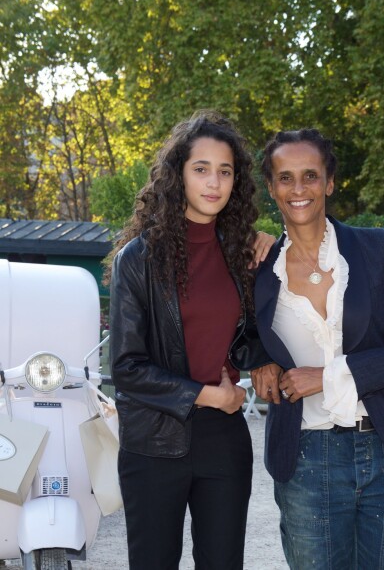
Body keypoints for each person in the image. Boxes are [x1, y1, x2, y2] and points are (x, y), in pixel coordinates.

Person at [250, 128, 384, 569]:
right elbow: (235, 332)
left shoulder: (376, 248)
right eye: (285, 177)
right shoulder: (256, 267)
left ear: (329, 182)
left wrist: (328, 376)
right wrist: (256, 359)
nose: (299, 189)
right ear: (272, 188)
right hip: (307, 457)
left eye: (310, 175)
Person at [107, 111, 273, 570]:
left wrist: (273, 245)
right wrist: (208, 395)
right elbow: (124, 367)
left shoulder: (244, 252)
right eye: (201, 168)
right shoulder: (137, 259)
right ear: (177, 173)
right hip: (155, 440)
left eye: (225, 171)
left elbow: (252, 336)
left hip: (223, 439)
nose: (213, 182)